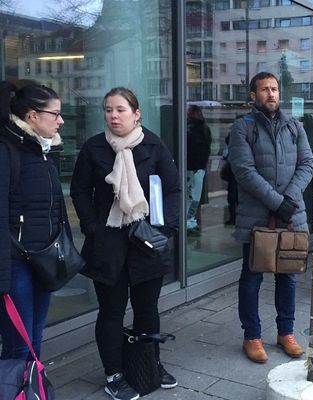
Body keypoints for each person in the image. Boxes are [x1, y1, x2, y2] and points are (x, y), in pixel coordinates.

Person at [70, 87, 181, 400]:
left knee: (147, 309)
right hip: (108, 242)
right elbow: (79, 191)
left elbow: (172, 189)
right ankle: (114, 373)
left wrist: (164, 229)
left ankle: (151, 363)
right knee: (111, 311)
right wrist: (93, 228)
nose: (113, 116)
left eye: (120, 109)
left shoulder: (154, 145)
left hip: (146, 240)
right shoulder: (94, 148)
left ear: (136, 114)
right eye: (108, 110)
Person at [228, 72, 313, 364]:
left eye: (275, 89)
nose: (271, 94)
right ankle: (252, 335)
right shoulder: (243, 127)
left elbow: (307, 163)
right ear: (253, 95)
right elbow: (243, 170)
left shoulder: (294, 126)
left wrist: (288, 199)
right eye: (264, 89)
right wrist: (278, 202)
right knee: (251, 277)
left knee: (287, 278)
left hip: (291, 216)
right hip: (257, 217)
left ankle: (285, 332)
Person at [0, 82, 69, 362]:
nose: (61, 121)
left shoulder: (44, 152)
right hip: (16, 268)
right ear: (32, 116)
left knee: (34, 341)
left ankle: (31, 390)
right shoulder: (7, 152)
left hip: (42, 262)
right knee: (18, 346)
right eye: (55, 114)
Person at [186, 105, 212, 234]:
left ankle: (188, 220)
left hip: (192, 167)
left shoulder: (191, 130)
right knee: (194, 196)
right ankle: (190, 220)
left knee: (190, 196)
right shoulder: (204, 129)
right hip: (199, 167)